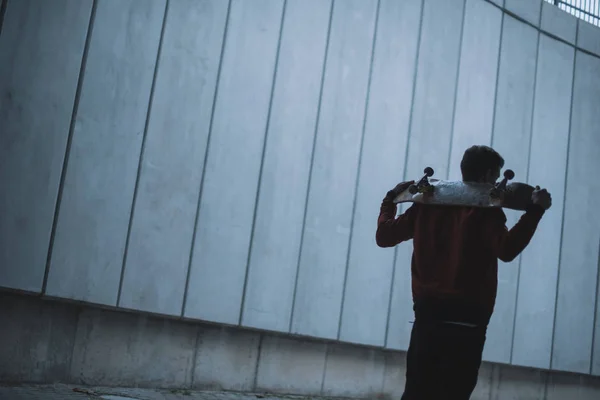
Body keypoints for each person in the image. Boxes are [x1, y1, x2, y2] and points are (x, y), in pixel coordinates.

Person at [376, 145, 552, 400]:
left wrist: (390, 200)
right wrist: (535, 211)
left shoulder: (426, 205)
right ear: (488, 175)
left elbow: (384, 236)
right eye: (496, 176)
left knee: (417, 392)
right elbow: (507, 250)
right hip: (469, 319)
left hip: (428, 315)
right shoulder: (486, 212)